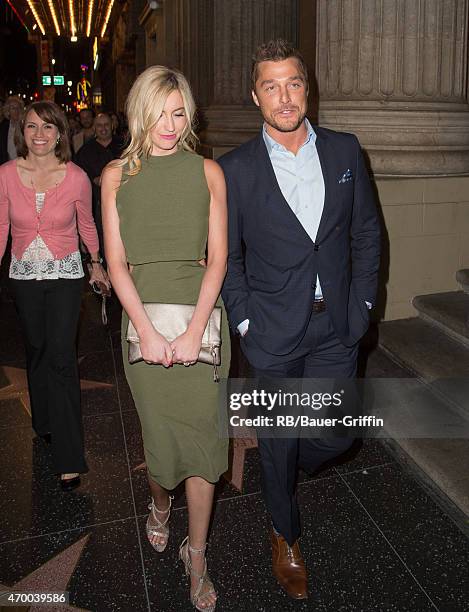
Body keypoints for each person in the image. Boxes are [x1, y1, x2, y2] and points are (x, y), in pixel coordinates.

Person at [219, 39, 381, 600]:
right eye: (271, 86)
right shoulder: (233, 169)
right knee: (280, 438)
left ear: (306, 89)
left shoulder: (344, 151)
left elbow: (366, 233)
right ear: (255, 95)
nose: (284, 97)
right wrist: (243, 324)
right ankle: (284, 533)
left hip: (336, 322)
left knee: (336, 430)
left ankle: (286, 461)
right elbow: (228, 258)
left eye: (292, 84)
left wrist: (362, 306)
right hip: (271, 330)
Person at [101, 66, 229, 612]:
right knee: (161, 444)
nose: (170, 126)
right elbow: (116, 262)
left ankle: (196, 554)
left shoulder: (208, 173)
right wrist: (147, 332)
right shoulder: (114, 176)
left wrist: (197, 327)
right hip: (143, 325)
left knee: (204, 448)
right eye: (160, 114)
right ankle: (159, 506)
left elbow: (218, 258)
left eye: (180, 114)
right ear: (140, 114)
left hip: (203, 321)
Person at [0, 101, 109, 491]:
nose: (40, 135)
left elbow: (86, 222)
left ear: (60, 133)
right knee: (37, 348)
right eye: (32, 127)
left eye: (48, 128)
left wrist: (95, 262)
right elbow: (0, 227)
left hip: (65, 274)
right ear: (22, 132)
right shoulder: (6, 175)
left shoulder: (77, 176)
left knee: (62, 356)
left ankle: (68, 457)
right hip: (24, 274)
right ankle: (42, 419)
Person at [75, 112, 124, 257]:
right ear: (94, 128)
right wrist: (92, 179)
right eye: (99, 125)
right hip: (96, 205)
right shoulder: (85, 151)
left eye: (106, 125)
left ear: (112, 126)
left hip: (124, 204)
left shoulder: (124, 146)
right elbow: (78, 179)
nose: (103, 128)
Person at [0, 96, 25, 164]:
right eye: (13, 108)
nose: (16, 111)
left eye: (18, 108)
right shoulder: (3, 126)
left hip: (22, 163)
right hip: (6, 164)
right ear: (8, 111)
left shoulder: (24, 125)